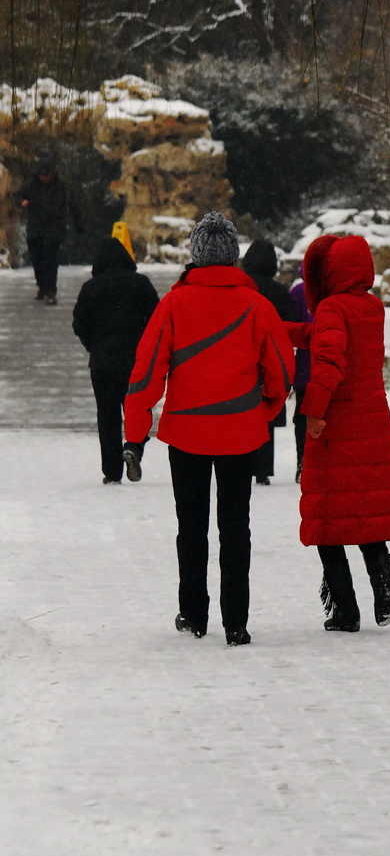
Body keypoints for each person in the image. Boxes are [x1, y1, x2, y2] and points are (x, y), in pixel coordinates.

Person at [123, 212, 294, 647]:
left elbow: (145, 375)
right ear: (233, 255)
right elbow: (281, 370)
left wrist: (135, 433)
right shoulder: (256, 305)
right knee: (237, 527)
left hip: (187, 435)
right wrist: (265, 409)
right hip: (240, 434)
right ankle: (235, 622)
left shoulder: (174, 305)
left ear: (195, 256)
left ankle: (194, 614)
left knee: (191, 524)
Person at [285, 233, 390, 633]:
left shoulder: (332, 308)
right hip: (371, 421)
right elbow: (325, 338)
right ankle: (382, 581)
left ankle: (345, 610)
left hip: (337, 426)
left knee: (327, 521)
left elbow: (328, 362)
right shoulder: (370, 308)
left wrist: (313, 414)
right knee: (363, 515)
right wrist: (279, 329)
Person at [72, 238, 160, 484]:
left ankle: (112, 472)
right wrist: (144, 346)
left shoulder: (91, 288)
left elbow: (79, 323)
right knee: (138, 410)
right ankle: (133, 448)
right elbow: (157, 320)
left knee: (107, 416)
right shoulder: (141, 284)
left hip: (102, 364)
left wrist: (94, 345)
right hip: (135, 362)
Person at [241, 239, 297, 485]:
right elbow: (291, 325)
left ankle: (242, 462)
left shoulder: (242, 288)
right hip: (270, 357)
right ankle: (263, 470)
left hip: (243, 356)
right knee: (267, 413)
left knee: (242, 413)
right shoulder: (279, 291)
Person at [14, 159, 79, 304]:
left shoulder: (61, 186)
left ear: (51, 175)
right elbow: (17, 195)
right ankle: (42, 285)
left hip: (54, 225)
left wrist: (78, 224)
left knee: (50, 258)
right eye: (42, 176)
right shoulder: (31, 185)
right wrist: (21, 202)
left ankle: (51, 290)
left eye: (47, 176)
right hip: (36, 226)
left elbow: (73, 204)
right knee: (37, 258)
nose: (44, 178)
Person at [289, 266, 312, 483]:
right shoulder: (333, 293)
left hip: (304, 369)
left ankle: (302, 461)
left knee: (302, 419)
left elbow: (289, 329)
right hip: (329, 369)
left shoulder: (297, 293)